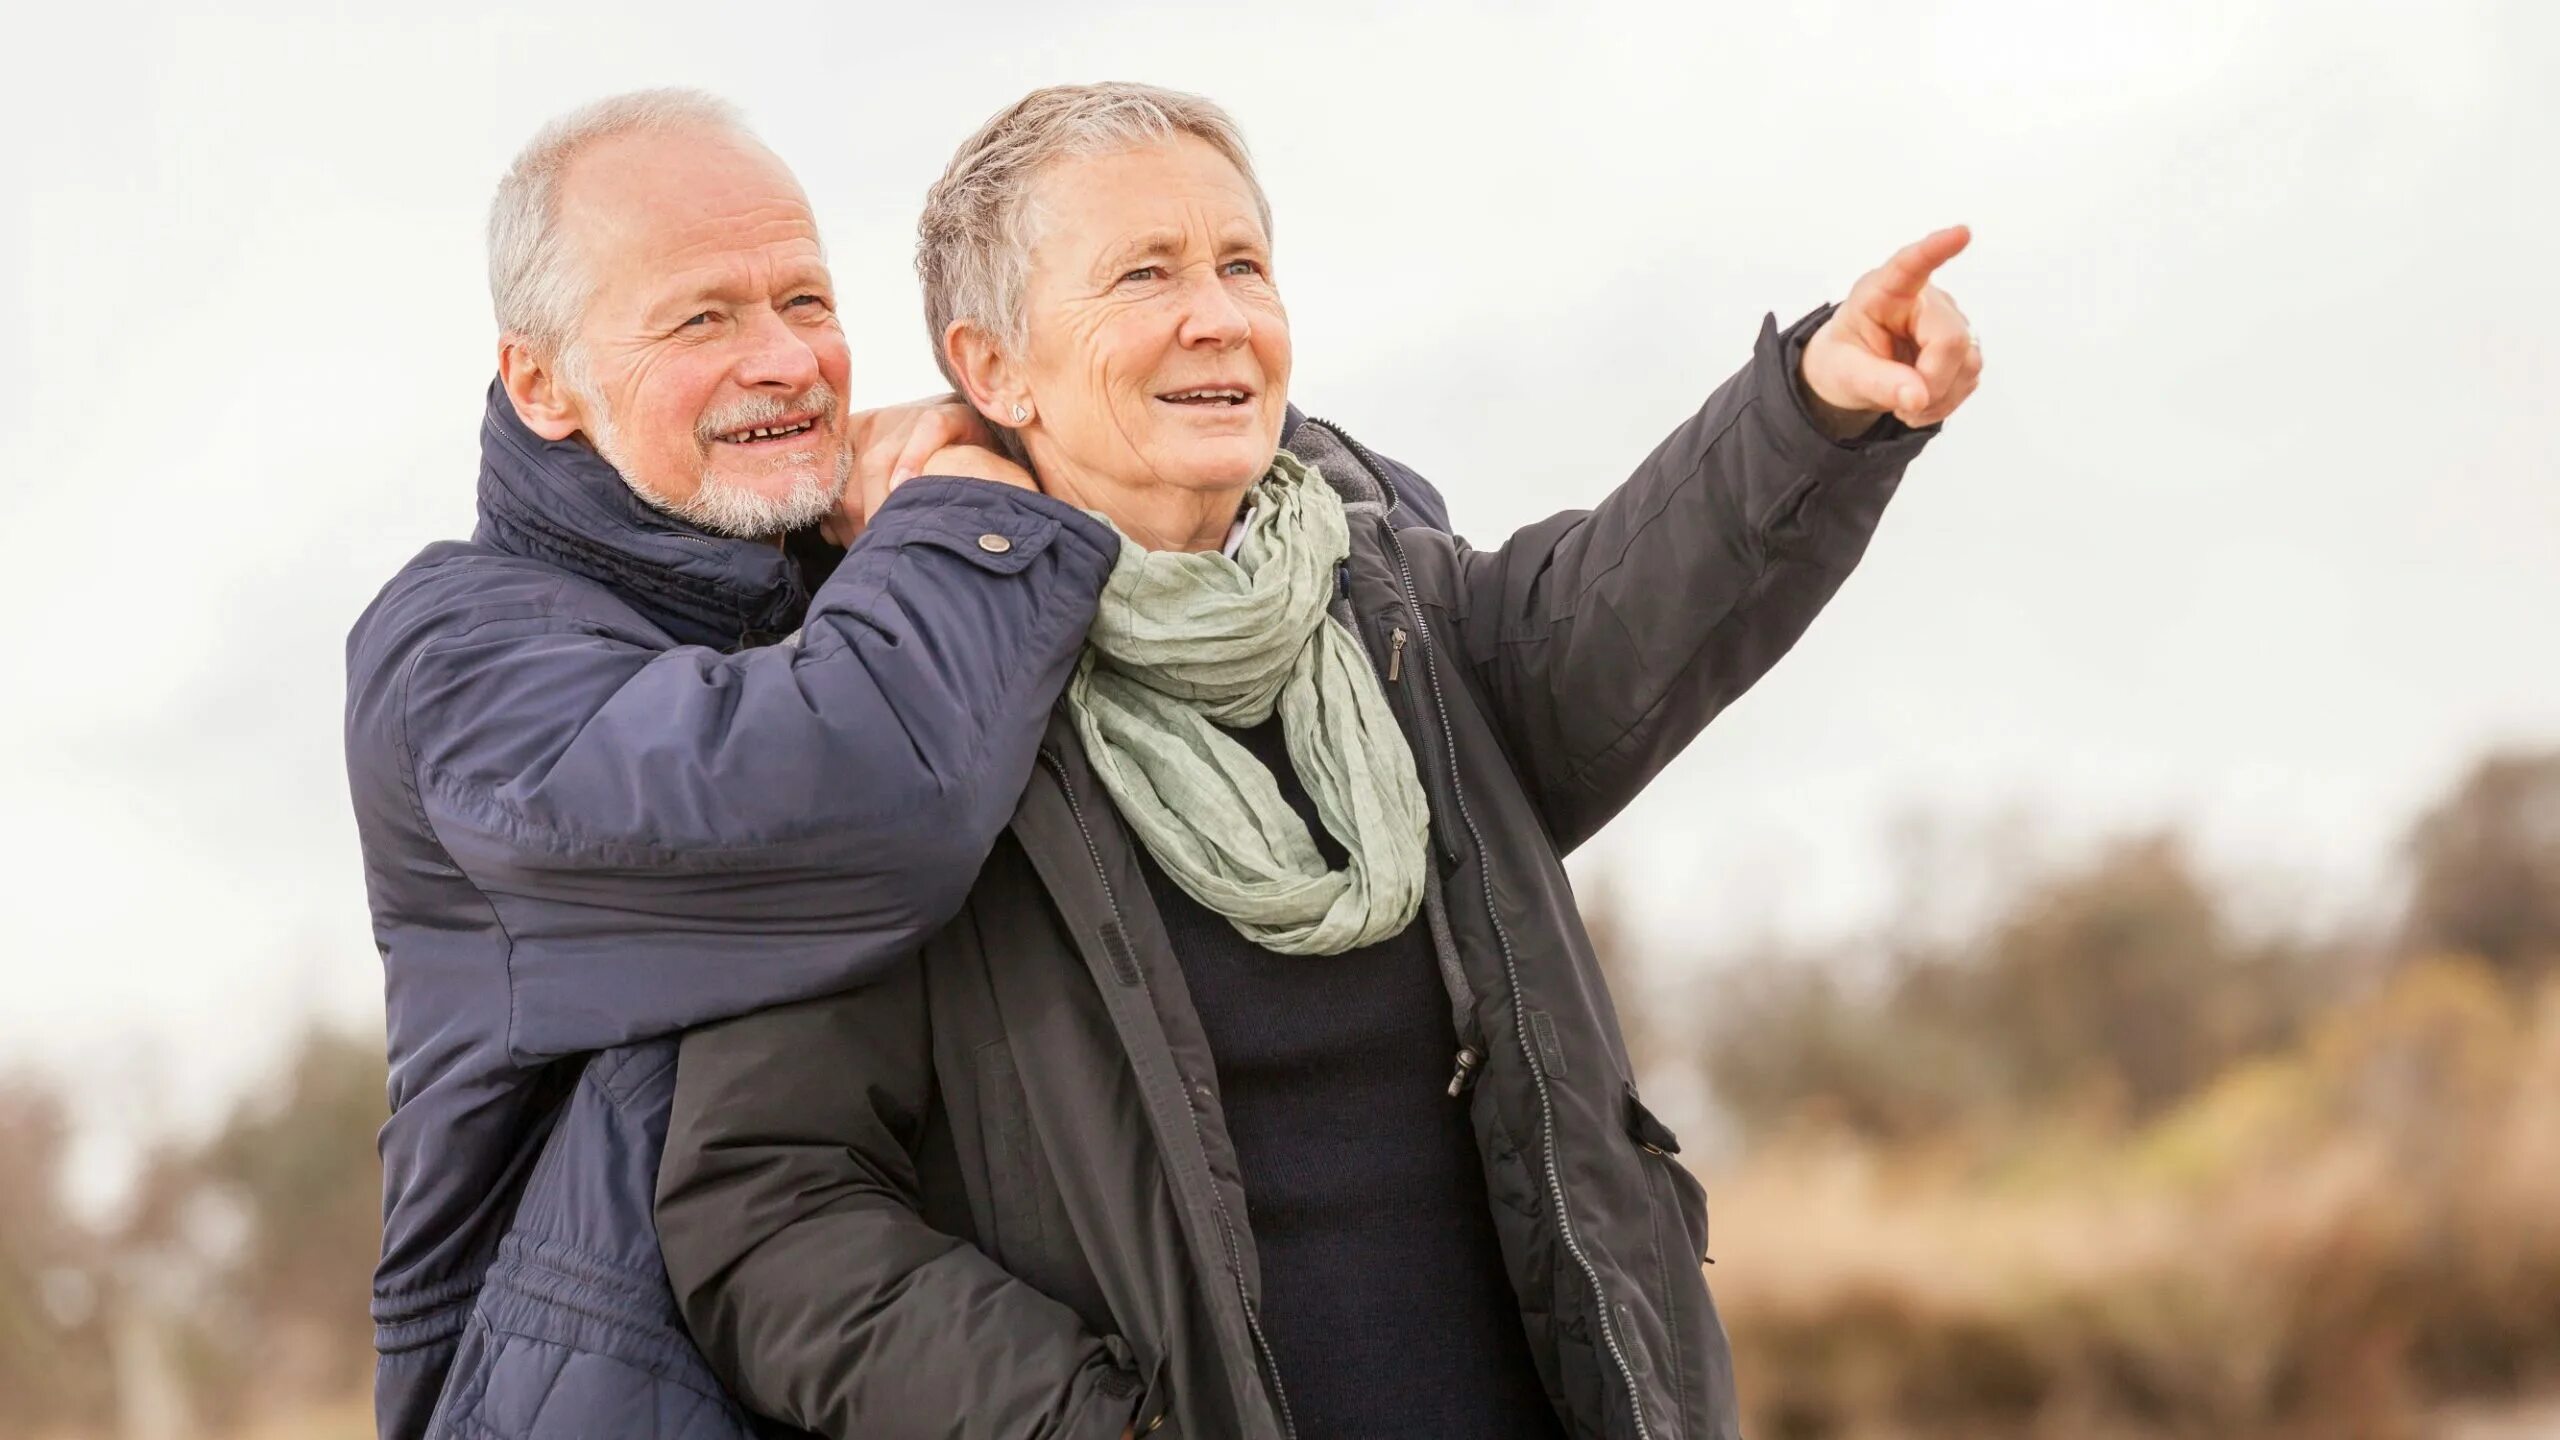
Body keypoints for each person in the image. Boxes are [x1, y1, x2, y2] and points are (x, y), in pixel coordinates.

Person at [656, 82, 1979, 1440]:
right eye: (1145, 274)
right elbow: (768, 1211)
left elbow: (1631, 603)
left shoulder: (1406, 619)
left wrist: (1816, 409)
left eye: (1243, 265)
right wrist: (1080, 1422)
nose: (1217, 314)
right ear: (994, 369)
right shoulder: (888, 715)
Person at [343, 87, 1454, 1440]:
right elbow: (866, 801)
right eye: (704, 318)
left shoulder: (854, 577)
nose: (787, 363)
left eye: (807, 304)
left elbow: (1332, 537)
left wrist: (1157, 456)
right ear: (542, 381)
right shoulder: (456, 661)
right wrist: (970, 507)